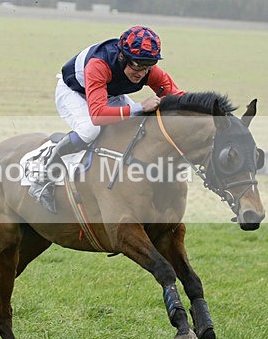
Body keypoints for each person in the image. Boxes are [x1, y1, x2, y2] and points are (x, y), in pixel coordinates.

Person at [29, 25, 185, 212]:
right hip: (75, 92)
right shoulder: (99, 64)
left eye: (148, 66)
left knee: (137, 126)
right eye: (137, 65)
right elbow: (97, 116)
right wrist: (140, 107)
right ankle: (44, 174)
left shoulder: (147, 68)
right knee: (90, 130)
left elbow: (179, 97)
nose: (142, 73)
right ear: (122, 57)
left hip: (109, 93)